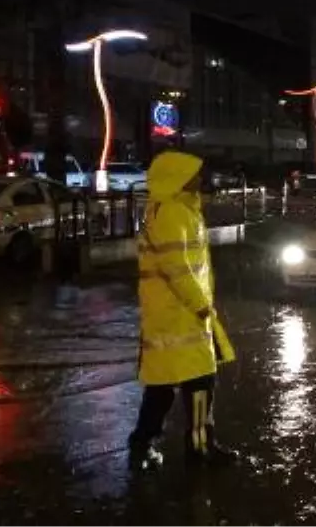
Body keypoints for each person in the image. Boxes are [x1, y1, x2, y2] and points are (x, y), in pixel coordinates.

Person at [128, 150, 239, 469]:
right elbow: (178, 269)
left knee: (161, 387)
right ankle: (200, 448)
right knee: (201, 382)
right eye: (193, 173)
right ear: (177, 177)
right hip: (182, 317)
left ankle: (143, 443)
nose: (199, 179)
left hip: (168, 317)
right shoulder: (175, 212)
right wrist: (202, 307)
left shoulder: (168, 210)